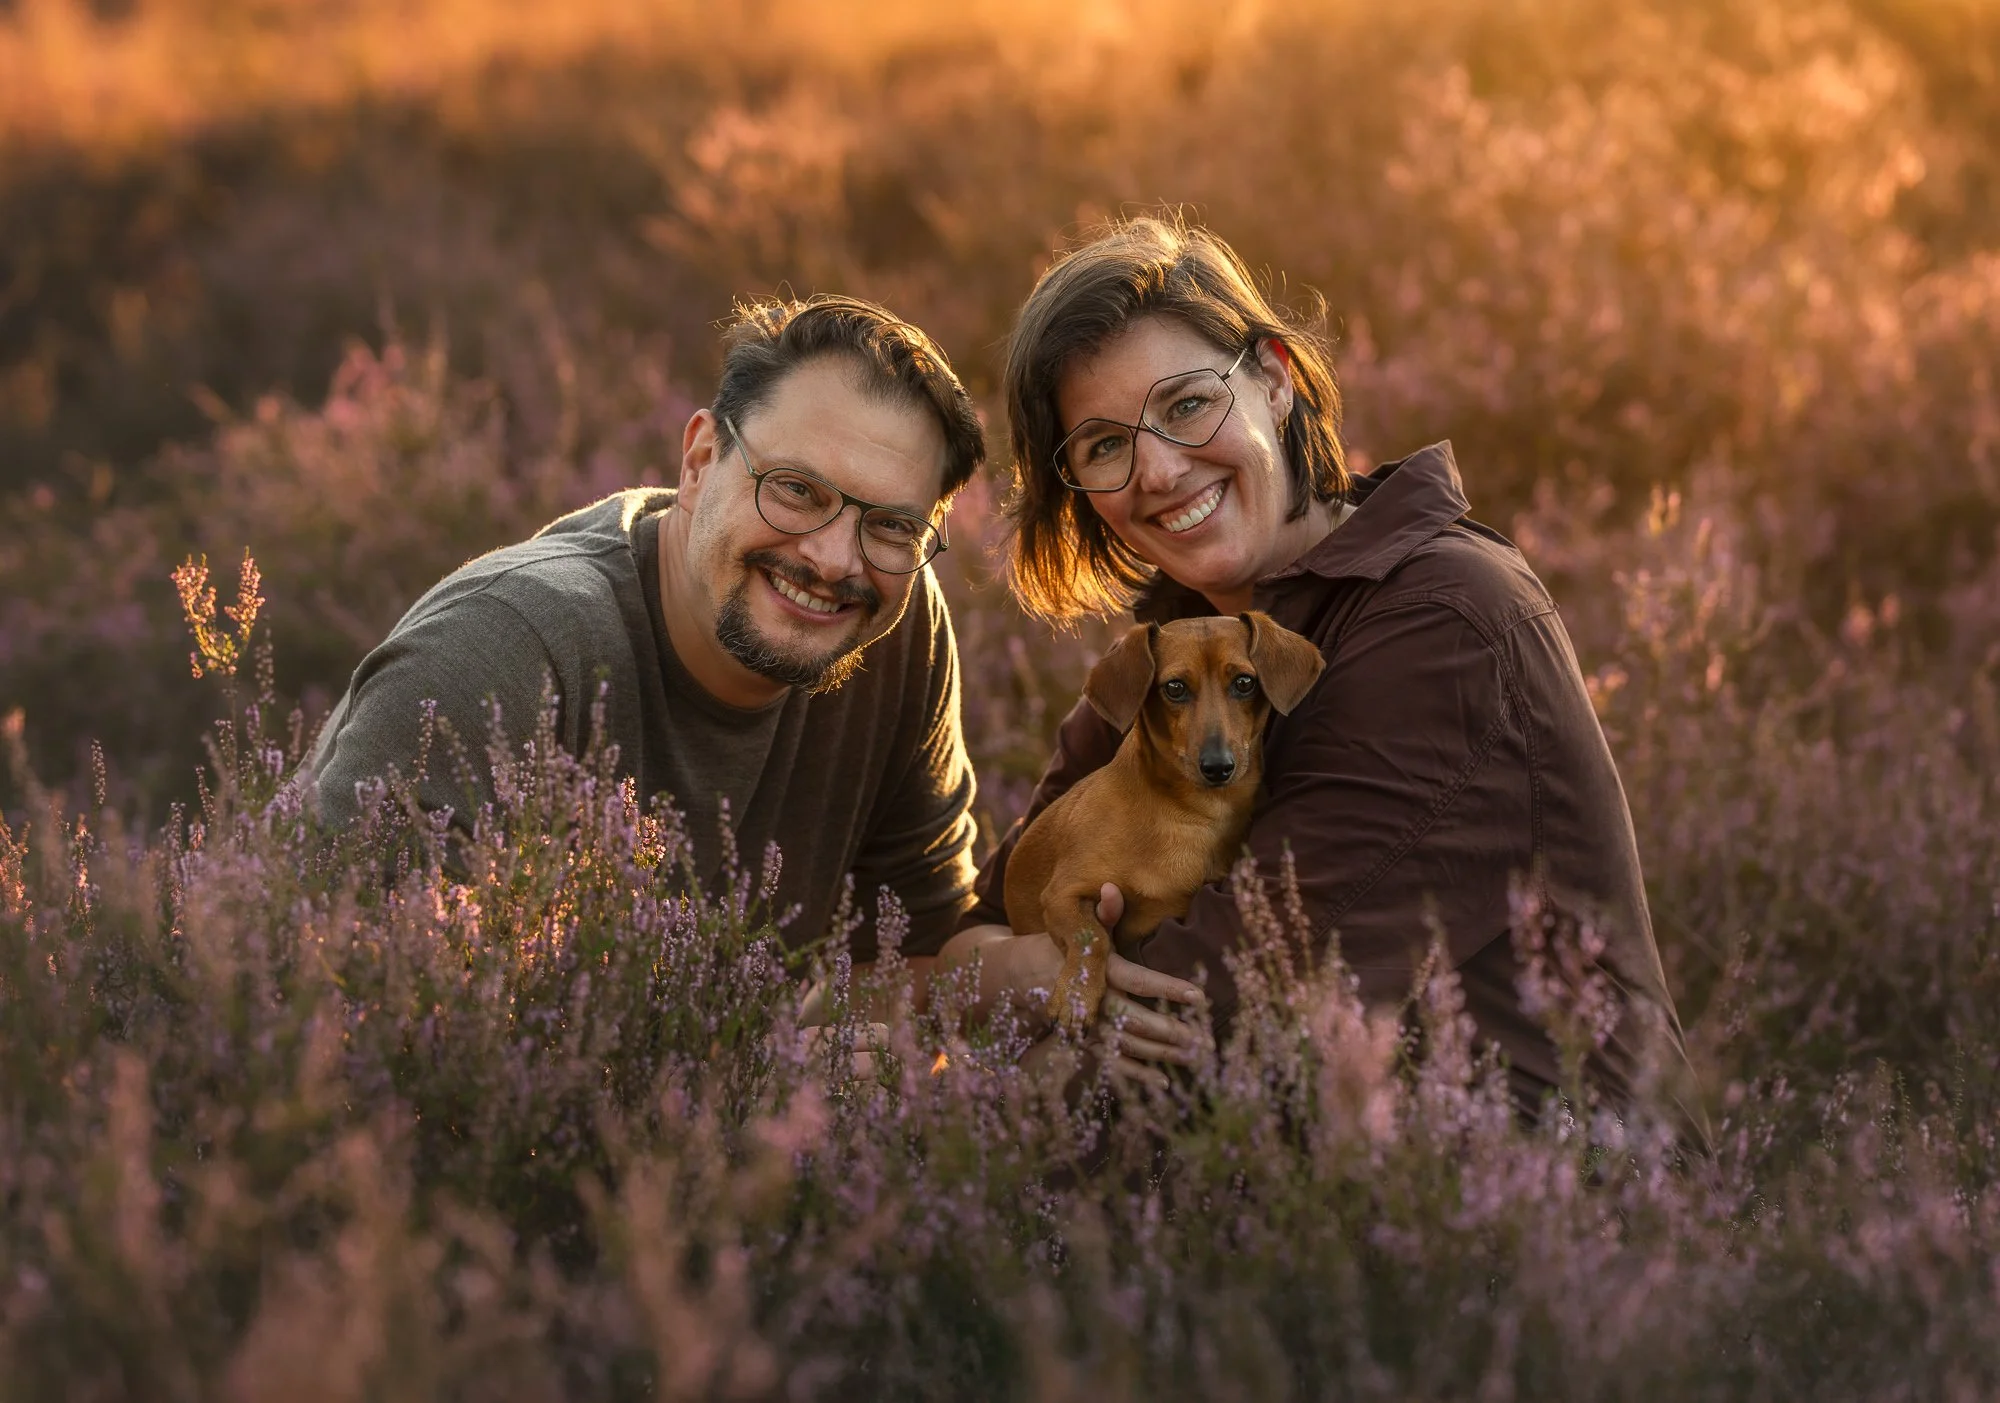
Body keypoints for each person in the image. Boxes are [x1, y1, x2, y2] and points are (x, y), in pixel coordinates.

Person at [939, 216, 1702, 1127]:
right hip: (1279, 1181)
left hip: (1543, 1185)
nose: (1160, 470)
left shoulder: (1443, 624)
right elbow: (974, 941)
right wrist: (1036, 970)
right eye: (1104, 445)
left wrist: (1011, 1049)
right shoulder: (1170, 657)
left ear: (1274, 379)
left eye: (1187, 404)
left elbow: (1222, 1001)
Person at [305, 295, 986, 973]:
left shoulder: (893, 625)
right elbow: (330, 988)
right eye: (797, 489)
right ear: (699, 461)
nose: (835, 561)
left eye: (892, 525)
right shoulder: (497, 653)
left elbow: (916, 954)